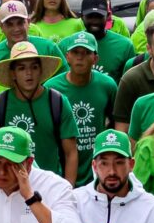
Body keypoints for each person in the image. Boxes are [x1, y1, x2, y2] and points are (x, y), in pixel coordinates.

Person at [0, 41, 79, 185]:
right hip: (11, 185)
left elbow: (71, 152)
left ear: (41, 70)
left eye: (34, 67)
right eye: (21, 68)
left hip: (49, 184)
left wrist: (68, 190)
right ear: (13, 73)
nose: (28, 73)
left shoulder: (57, 102)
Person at [45, 32, 117, 186]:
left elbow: (115, 122)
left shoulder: (108, 85)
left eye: (86, 53)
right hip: (61, 170)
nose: (80, 57)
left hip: (98, 172)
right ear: (67, 56)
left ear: (95, 58)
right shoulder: (51, 88)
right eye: (75, 52)